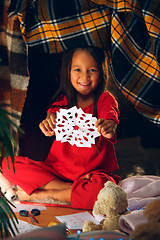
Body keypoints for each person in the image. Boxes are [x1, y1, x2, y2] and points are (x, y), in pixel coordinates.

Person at [1, 47, 120, 209]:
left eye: (92, 70)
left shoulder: (105, 99)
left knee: (104, 189)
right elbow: (52, 118)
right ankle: (69, 190)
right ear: (68, 72)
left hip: (92, 174)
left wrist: (108, 126)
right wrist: (48, 124)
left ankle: (42, 195)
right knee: (8, 164)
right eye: (77, 69)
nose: (85, 76)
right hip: (57, 172)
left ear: (102, 71)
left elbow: (111, 117)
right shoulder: (63, 101)